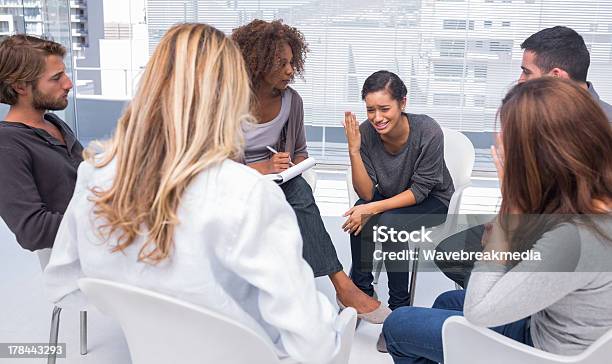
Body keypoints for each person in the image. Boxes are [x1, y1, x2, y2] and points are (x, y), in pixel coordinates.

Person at [43, 23, 342, 363]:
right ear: (231, 95)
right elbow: (315, 345)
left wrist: (153, 305)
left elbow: (63, 285)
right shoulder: (247, 194)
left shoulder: (96, 174)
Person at [382, 77, 612, 363]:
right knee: (446, 302)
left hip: (542, 352)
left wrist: (509, 210)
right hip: (560, 326)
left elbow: (478, 311)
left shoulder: (574, 239)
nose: (502, 147)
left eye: (511, 141)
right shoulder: (592, 200)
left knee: (399, 325)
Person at [231, 19, 388, 322]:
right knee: (299, 194)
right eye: (281, 63)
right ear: (257, 63)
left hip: (275, 181)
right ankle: (344, 287)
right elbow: (209, 159)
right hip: (232, 182)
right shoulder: (227, 101)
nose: (291, 70)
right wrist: (258, 168)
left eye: (292, 62)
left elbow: (299, 149)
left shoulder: (292, 101)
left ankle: (340, 286)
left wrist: (294, 164)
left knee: (299, 188)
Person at [436, 25, 612, 288]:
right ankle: (502, 311)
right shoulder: (538, 113)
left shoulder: (602, 129)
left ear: (556, 76)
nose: (520, 79)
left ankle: (511, 309)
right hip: (530, 220)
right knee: (450, 253)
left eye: (526, 71)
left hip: (567, 242)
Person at [343, 70, 454, 350]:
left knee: (388, 223)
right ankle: (363, 294)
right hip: (391, 196)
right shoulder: (367, 133)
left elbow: (420, 191)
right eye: (370, 110)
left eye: (385, 108)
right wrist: (354, 151)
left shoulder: (428, 130)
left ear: (402, 103)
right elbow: (367, 194)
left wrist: (372, 209)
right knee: (361, 211)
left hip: (432, 201)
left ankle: (398, 313)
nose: (377, 117)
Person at [0, 34, 82, 251]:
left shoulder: (52, 122)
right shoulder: (6, 145)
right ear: (20, 86)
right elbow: (33, 231)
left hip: (101, 246)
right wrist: (109, 223)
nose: (68, 83)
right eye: (56, 78)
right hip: (76, 260)